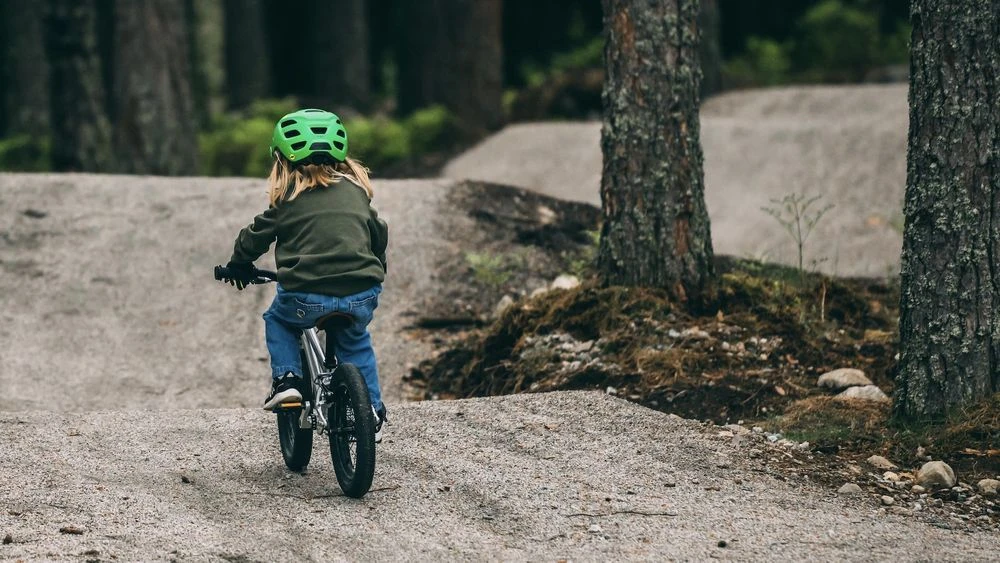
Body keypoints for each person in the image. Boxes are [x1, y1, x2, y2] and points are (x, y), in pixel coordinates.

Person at [223, 108, 388, 442]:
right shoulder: (356, 192)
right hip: (361, 293)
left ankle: (287, 382)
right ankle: (370, 410)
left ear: (281, 161)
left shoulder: (287, 199)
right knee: (356, 342)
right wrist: (377, 266)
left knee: (278, 320)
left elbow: (254, 237)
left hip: (305, 296)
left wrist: (239, 264)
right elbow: (377, 232)